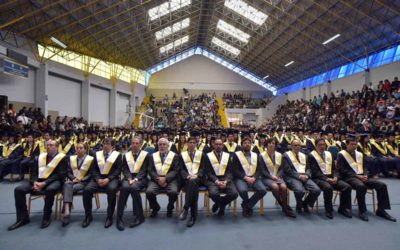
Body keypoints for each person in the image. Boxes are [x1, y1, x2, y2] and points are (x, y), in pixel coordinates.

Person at [8, 140, 67, 230]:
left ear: (56, 147)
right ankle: (23, 218)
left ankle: (46, 217)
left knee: (50, 190)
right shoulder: (41, 157)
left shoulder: (62, 157)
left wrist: (44, 183)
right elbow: (34, 171)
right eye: (47, 145)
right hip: (38, 181)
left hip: (54, 181)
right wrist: (35, 182)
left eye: (51, 145)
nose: (48, 147)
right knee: (19, 189)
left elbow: (60, 174)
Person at [337, 136, 396, 222]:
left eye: (355, 144)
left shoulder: (359, 154)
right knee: (361, 186)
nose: (354, 146)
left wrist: (365, 175)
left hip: (362, 177)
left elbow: (365, 167)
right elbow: (342, 169)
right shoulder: (341, 154)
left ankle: (381, 210)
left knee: (382, 185)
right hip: (349, 177)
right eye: (351, 144)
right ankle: (362, 211)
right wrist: (357, 176)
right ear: (346, 144)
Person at [82, 138, 122, 228]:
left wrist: (108, 179)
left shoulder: (118, 155)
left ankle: (109, 216)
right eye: (104, 143)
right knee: (87, 190)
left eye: (107, 144)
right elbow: (93, 169)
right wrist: (97, 179)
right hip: (98, 179)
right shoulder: (96, 154)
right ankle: (88, 216)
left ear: (112, 146)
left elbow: (118, 170)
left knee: (111, 190)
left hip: (111, 179)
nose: (105, 145)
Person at [308, 138, 352, 219]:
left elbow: (334, 169)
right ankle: (329, 210)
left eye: (324, 144)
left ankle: (342, 208)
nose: (322, 146)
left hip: (331, 177)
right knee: (328, 188)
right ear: (316, 146)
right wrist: (327, 179)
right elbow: (315, 172)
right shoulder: (311, 155)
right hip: (319, 178)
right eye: (320, 145)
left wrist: (335, 177)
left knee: (347, 186)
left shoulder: (329, 154)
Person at [116, 136, 149, 231]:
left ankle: (139, 216)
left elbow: (145, 170)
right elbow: (125, 169)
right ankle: (119, 217)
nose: (134, 145)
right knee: (124, 187)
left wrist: (136, 179)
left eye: (137, 143)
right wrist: (129, 178)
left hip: (141, 178)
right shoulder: (126, 155)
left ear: (141, 144)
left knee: (134, 188)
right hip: (128, 178)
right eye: (133, 143)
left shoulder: (146, 155)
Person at [282, 139, 321, 214]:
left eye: (298, 145)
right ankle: (299, 205)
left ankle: (305, 204)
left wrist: (307, 175)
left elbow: (309, 168)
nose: (297, 147)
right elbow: (288, 170)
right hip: (292, 177)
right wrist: (300, 176)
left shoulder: (304, 156)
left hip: (305, 176)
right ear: (291, 146)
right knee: (300, 191)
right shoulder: (286, 155)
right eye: (295, 145)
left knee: (317, 190)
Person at [260, 138, 295, 217]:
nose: (271, 144)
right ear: (266, 144)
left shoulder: (279, 155)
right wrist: (271, 176)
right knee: (275, 187)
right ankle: (284, 206)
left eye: (273, 143)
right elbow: (262, 170)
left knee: (283, 187)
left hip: (278, 176)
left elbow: (282, 168)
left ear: (275, 145)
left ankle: (284, 206)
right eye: (269, 143)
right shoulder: (262, 155)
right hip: (266, 177)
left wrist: (278, 175)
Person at [232, 137, 266, 217]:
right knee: (243, 190)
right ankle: (248, 207)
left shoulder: (256, 155)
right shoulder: (237, 155)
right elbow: (235, 169)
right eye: (245, 143)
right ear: (242, 145)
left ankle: (247, 205)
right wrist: (245, 177)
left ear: (251, 145)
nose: (247, 144)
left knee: (263, 190)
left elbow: (259, 169)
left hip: (254, 177)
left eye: (249, 143)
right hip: (241, 178)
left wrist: (254, 177)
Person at [146, 138, 180, 218]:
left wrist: (166, 179)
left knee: (174, 192)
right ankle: (155, 207)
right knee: (149, 192)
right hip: (156, 179)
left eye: (164, 144)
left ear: (168, 146)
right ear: (157, 146)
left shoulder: (174, 156)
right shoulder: (152, 156)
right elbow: (150, 170)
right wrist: (158, 179)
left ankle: (170, 208)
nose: (162, 146)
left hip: (170, 180)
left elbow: (175, 170)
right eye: (160, 144)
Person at [61, 143, 94, 226]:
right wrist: (73, 179)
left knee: (67, 187)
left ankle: (66, 210)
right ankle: (67, 210)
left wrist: (81, 179)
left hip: (85, 182)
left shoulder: (90, 159)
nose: (79, 149)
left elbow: (92, 173)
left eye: (81, 148)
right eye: (77, 148)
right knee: (67, 184)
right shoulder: (71, 158)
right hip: (74, 181)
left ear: (85, 150)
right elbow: (68, 171)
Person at [205, 138, 238, 216]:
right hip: (213, 179)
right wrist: (216, 181)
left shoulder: (227, 155)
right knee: (213, 194)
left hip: (225, 178)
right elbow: (208, 172)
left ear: (223, 145)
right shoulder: (208, 156)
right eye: (216, 144)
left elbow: (230, 171)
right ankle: (222, 206)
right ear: (213, 145)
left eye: (220, 144)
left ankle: (219, 204)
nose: (218, 146)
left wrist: (226, 181)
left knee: (234, 194)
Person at [179, 136, 206, 227]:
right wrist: (187, 176)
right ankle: (193, 216)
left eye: (194, 143)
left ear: (196, 144)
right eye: (190, 142)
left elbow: (203, 168)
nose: (192, 144)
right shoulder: (182, 155)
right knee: (192, 186)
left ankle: (186, 208)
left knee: (193, 183)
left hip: (199, 178)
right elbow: (181, 169)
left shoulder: (201, 154)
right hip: (187, 179)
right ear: (187, 144)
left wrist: (197, 175)